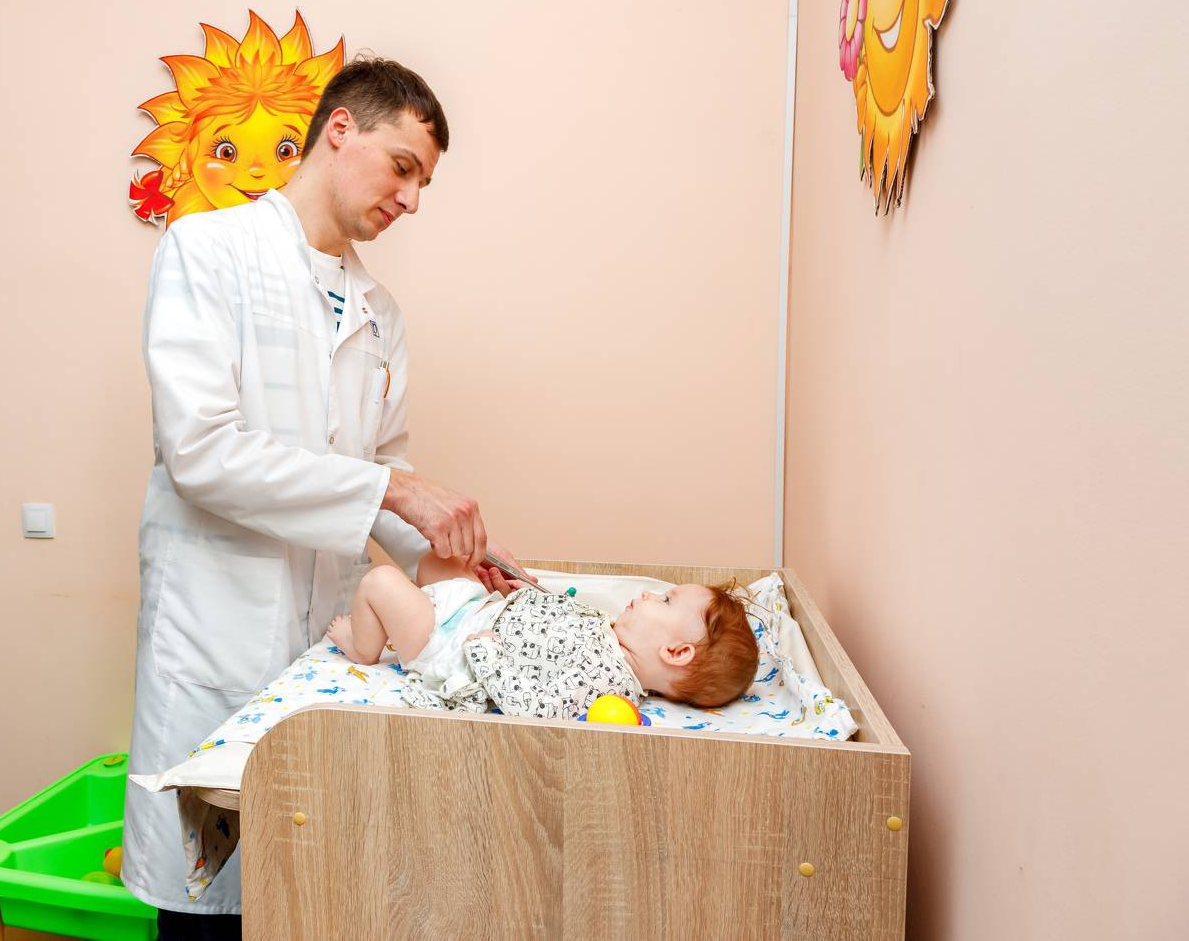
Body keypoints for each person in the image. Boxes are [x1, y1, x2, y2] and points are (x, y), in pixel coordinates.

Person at [123, 56, 528, 941]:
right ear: (340, 129)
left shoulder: (382, 314)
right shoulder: (208, 251)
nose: (411, 199)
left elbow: (379, 474)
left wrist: (451, 554)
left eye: (423, 182)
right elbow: (200, 452)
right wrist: (397, 488)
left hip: (328, 649)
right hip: (216, 635)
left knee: (308, 895)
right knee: (209, 910)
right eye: (403, 167)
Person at [327, 551, 759, 718]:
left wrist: (486, 655)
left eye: (664, 601)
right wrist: (522, 595)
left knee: (380, 581)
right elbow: (555, 628)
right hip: (482, 612)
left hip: (451, 646)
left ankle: (364, 646)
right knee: (437, 561)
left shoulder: (606, 681)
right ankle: (409, 609)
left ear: (676, 652)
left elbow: (531, 709)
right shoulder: (614, 637)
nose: (648, 594)